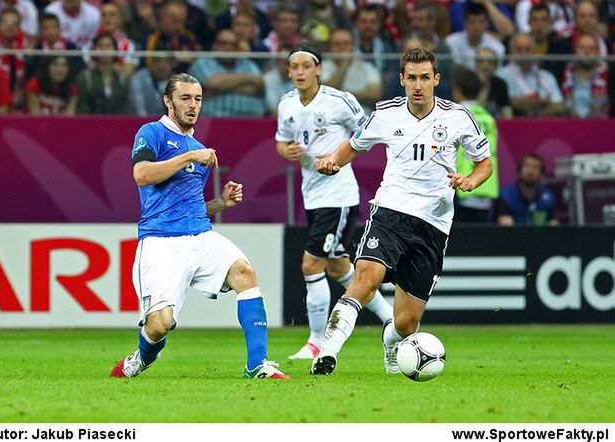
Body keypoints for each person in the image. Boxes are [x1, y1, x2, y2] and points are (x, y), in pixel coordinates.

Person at [311, 47, 493, 375]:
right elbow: (353, 145)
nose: (418, 85)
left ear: (437, 80)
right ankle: (327, 353)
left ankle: (390, 339)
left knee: (407, 323)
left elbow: (485, 163)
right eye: (412, 78)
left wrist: (470, 180)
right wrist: (332, 162)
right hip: (390, 211)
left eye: (425, 77)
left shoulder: (458, 117)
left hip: (433, 223)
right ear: (402, 80)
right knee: (365, 280)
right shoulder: (386, 114)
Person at [110, 73, 289, 380]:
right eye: (185, 98)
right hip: (161, 241)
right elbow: (141, 174)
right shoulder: (152, 132)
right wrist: (189, 155)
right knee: (160, 325)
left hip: (201, 236)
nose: (193, 105)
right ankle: (140, 358)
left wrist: (221, 203)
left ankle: (257, 364)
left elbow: (190, 205)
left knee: (245, 273)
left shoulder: (198, 146)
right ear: (168, 101)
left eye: (197, 99)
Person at [276, 44, 393, 361]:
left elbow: (367, 132)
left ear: (318, 70)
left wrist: (340, 156)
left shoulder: (339, 101)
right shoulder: (286, 104)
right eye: (294, 66)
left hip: (338, 196)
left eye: (305, 66)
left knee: (311, 264)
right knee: (340, 266)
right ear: (288, 72)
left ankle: (316, 341)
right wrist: (285, 151)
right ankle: (392, 320)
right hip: (311, 195)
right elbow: (282, 142)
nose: (299, 72)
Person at [452, 66, 499, 223]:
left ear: (457, 89)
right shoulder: (489, 118)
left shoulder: (455, 115)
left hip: (461, 186)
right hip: (484, 185)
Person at [189, 29, 265, 117]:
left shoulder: (248, 64)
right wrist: (249, 78)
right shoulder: (202, 62)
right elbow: (212, 83)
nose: (228, 48)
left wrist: (220, 88)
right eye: (223, 43)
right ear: (214, 45)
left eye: (233, 45)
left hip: (250, 120)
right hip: (214, 120)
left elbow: (258, 87)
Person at [496, 33, 566, 117]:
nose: (524, 53)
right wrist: (541, 102)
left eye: (528, 49)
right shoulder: (501, 75)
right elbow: (506, 101)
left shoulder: (547, 76)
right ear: (511, 51)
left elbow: (559, 106)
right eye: (519, 49)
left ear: (534, 51)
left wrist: (536, 114)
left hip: (543, 124)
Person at [496, 153, 559, 226]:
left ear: (541, 174)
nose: (530, 171)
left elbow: (554, 224)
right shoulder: (505, 196)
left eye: (535, 167)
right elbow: (506, 228)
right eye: (526, 166)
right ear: (519, 170)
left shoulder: (548, 197)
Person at [76, 33, 129, 114]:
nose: (104, 49)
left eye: (108, 46)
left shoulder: (123, 79)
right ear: (94, 50)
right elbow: (83, 108)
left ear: (115, 50)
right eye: (100, 46)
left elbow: (124, 108)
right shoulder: (85, 77)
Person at [561, 33, 610, 119]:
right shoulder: (565, 72)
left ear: (597, 52)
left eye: (591, 48)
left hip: (600, 125)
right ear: (575, 51)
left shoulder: (609, 75)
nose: (586, 52)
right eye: (582, 47)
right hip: (569, 125)